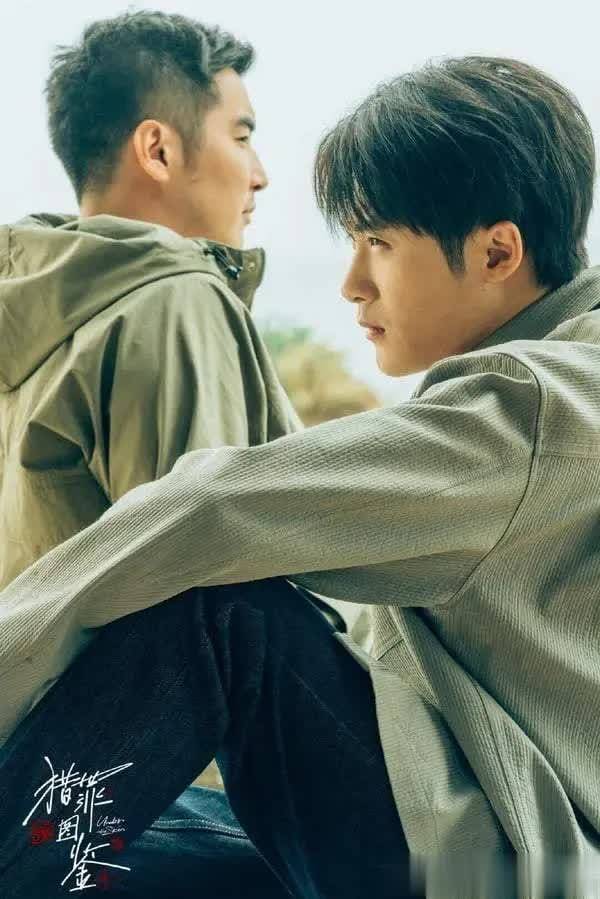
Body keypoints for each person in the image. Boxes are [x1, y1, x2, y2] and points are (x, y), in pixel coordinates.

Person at [1, 52, 598, 899]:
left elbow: (215, 506)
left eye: (378, 243)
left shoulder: (533, 405)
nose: (352, 283)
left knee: (224, 610)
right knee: (100, 841)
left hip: (492, 864)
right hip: (480, 839)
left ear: (498, 250)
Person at [0, 9, 351, 898]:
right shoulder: (172, 300)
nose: (260, 173)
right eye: (243, 135)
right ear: (157, 148)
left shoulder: (32, 311)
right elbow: (204, 614)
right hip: (107, 803)